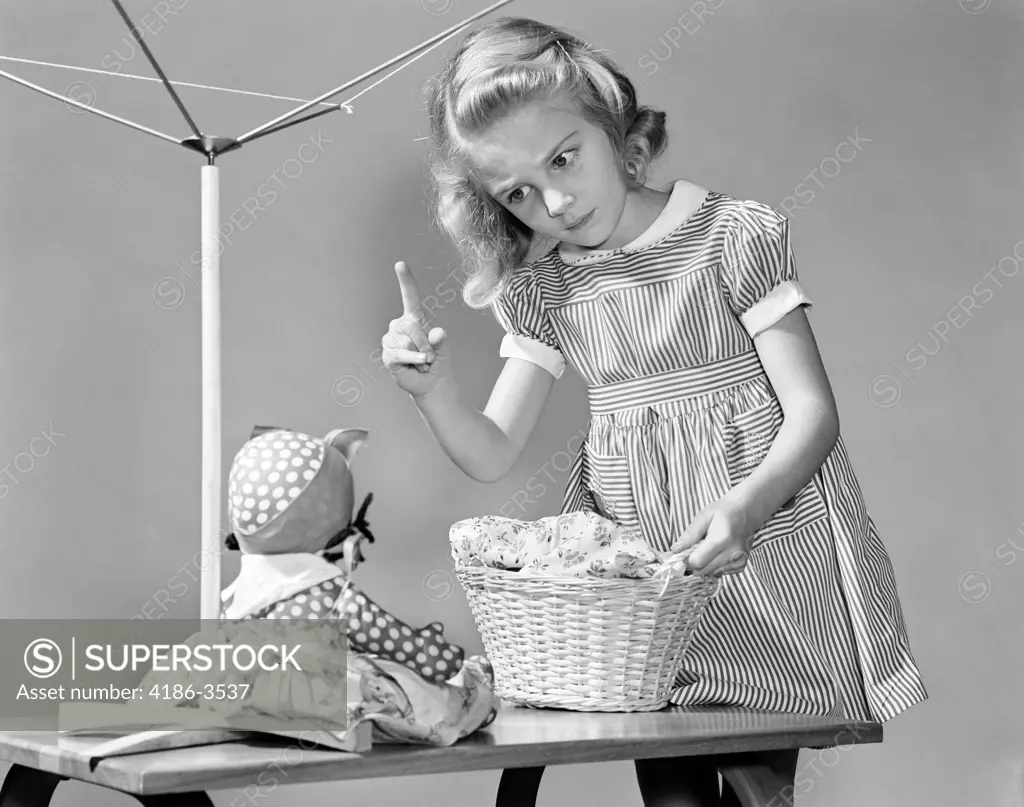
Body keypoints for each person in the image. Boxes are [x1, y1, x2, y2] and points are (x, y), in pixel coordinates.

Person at [380, 16, 927, 806]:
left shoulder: (731, 237)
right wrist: (433, 392)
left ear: (618, 134)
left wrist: (746, 506)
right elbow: (491, 451)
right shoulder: (547, 292)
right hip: (642, 586)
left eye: (563, 158)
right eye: (519, 193)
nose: (556, 201)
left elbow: (813, 412)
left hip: (761, 550)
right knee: (674, 793)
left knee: (757, 787)